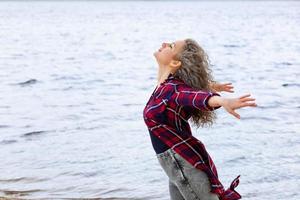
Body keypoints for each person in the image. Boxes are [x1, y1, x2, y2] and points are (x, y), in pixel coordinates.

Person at [143, 39, 257, 200]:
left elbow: (197, 97)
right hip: (175, 165)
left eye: (171, 46)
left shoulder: (172, 89)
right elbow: (192, 91)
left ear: (175, 62)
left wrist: (223, 101)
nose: (163, 43)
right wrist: (208, 85)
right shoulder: (164, 86)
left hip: (183, 163)